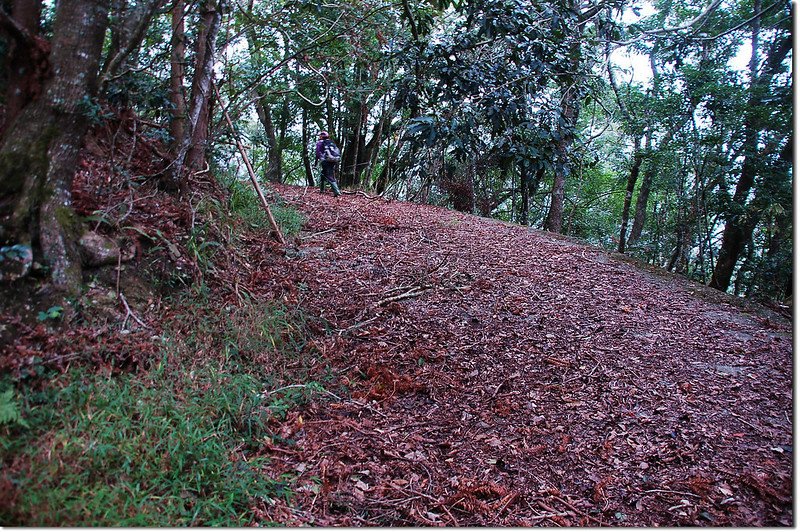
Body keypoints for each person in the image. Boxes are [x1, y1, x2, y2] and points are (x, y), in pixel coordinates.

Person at [314, 131, 342, 197]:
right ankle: (322, 190)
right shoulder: (331, 142)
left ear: (321, 136)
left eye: (320, 135)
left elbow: (317, 154)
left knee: (329, 175)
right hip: (334, 160)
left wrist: (315, 164)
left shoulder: (320, 143)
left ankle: (337, 192)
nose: (319, 137)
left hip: (325, 160)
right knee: (323, 173)